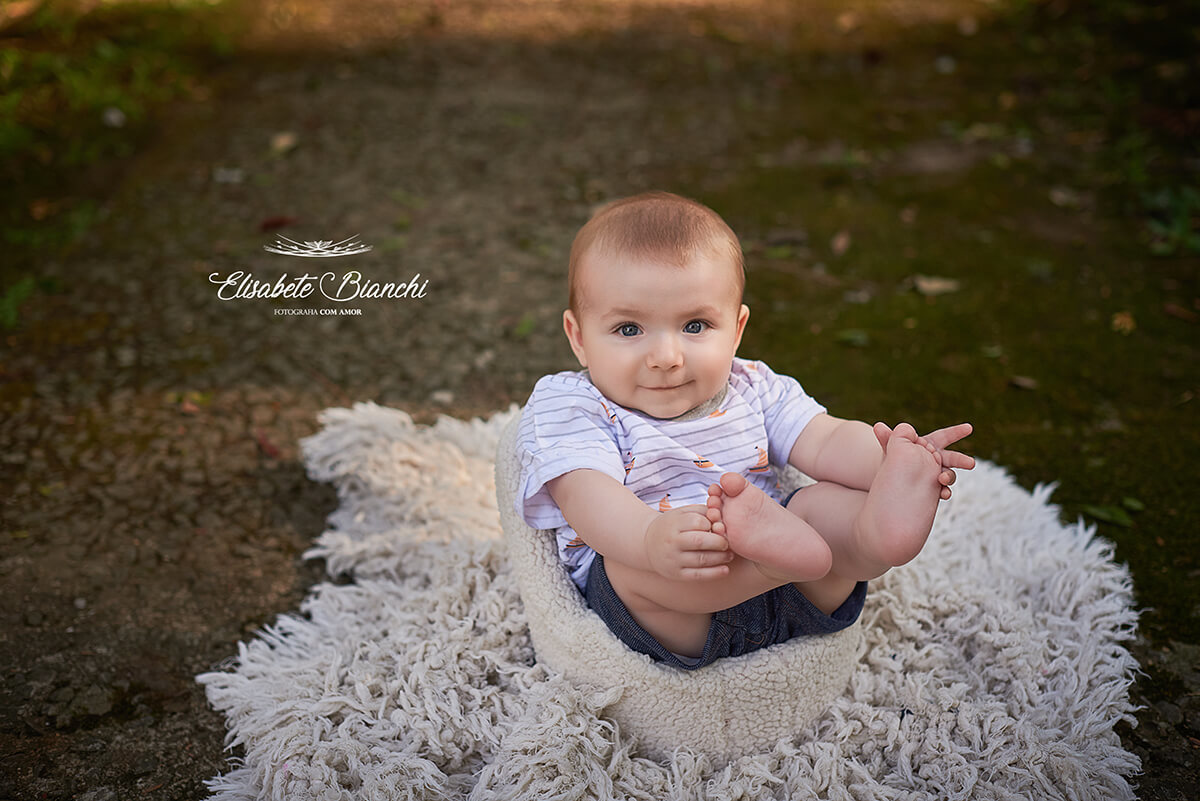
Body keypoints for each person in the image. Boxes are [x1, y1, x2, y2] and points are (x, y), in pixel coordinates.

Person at [514, 191, 974, 669]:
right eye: (629, 329)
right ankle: (772, 562)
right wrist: (649, 538)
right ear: (579, 337)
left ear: (736, 330)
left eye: (695, 326)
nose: (667, 357)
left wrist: (891, 461)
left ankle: (875, 537)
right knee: (625, 569)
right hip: (678, 613)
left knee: (818, 506)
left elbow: (825, 438)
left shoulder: (751, 385)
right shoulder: (572, 404)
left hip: (798, 588)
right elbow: (588, 497)